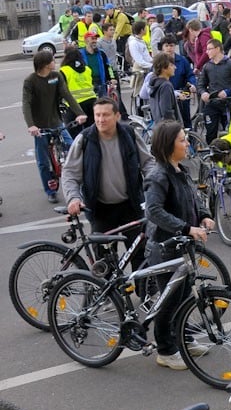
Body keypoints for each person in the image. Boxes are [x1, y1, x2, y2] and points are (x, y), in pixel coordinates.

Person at [143, 120, 216, 370]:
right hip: (165, 247)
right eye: (182, 140)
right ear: (168, 145)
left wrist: (204, 214)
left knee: (185, 295)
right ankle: (165, 349)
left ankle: (182, 338)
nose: (187, 143)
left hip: (183, 246)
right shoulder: (158, 175)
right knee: (170, 300)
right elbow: (153, 210)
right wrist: (186, 228)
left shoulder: (179, 170)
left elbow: (192, 200)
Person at [62, 98, 154, 270]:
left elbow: (148, 163)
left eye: (105, 115)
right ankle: (111, 296)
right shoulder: (85, 139)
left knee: (140, 254)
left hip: (131, 206)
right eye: (97, 115)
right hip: (100, 209)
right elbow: (70, 173)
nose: (100, 119)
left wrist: (153, 188)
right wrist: (73, 198)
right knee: (104, 261)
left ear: (117, 116)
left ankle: (145, 294)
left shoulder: (130, 134)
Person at [22, 50, 88, 202]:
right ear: (45, 64)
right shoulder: (30, 81)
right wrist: (31, 125)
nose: (55, 62)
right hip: (40, 126)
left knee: (73, 149)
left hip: (57, 121)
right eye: (52, 60)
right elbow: (26, 104)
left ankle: (81, 183)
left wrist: (79, 113)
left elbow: (67, 95)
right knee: (43, 161)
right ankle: (50, 189)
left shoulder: (56, 77)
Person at [198, 39, 231, 143]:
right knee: (210, 132)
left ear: (218, 49)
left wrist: (228, 91)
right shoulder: (207, 66)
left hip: (229, 102)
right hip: (213, 103)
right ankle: (212, 152)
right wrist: (203, 93)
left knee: (230, 132)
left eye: (209, 49)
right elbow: (201, 84)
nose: (207, 52)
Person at [59, 47, 97, 126]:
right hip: (91, 101)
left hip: (74, 105)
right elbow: (92, 83)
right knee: (91, 130)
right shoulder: (87, 69)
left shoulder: (64, 70)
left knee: (74, 133)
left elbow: (61, 89)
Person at [148, 53, 180, 122]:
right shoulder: (166, 86)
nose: (175, 67)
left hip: (159, 126)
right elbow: (167, 112)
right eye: (171, 65)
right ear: (164, 68)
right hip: (169, 129)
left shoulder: (154, 83)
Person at [127, 20, 152, 106]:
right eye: (145, 28)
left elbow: (147, 56)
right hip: (140, 70)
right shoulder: (133, 43)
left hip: (147, 69)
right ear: (141, 30)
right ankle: (139, 111)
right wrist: (151, 65)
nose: (146, 30)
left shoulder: (141, 41)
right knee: (139, 93)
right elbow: (139, 61)